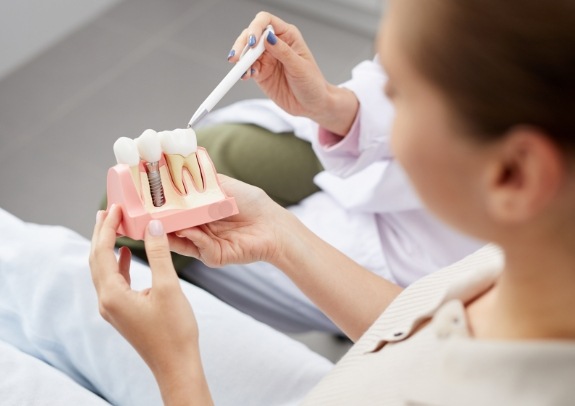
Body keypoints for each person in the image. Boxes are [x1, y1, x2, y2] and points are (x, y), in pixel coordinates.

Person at [90, 1, 575, 404]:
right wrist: (280, 236)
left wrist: (176, 367)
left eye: (398, 95)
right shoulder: (521, 272)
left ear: (513, 174)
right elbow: (421, 326)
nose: (384, 111)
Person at [111, 37, 483, 334]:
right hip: (372, 160)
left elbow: (412, 337)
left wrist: (282, 239)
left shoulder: (468, 323)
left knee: (161, 252)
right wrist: (332, 104)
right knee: (220, 150)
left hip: (408, 258)